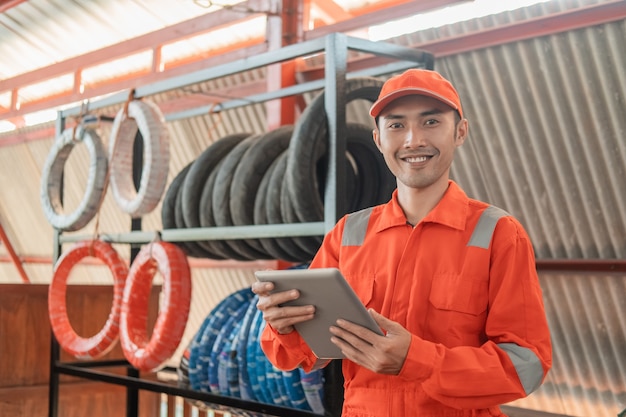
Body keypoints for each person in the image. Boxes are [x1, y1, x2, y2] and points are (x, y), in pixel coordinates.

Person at [251, 68, 552, 416]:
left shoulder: (498, 233)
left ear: (460, 132)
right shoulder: (348, 234)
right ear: (378, 140)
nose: (413, 140)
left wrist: (417, 360)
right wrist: (284, 326)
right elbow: (302, 356)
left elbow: (526, 364)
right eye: (396, 125)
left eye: (431, 122)